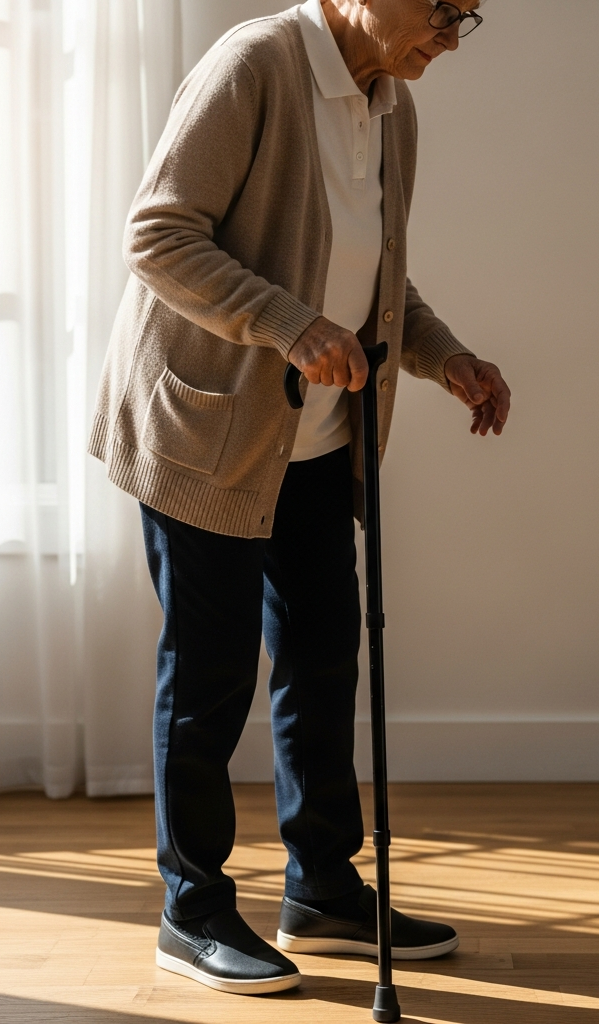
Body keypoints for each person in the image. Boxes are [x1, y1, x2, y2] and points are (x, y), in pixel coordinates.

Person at [89, 0, 510, 995]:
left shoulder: (389, 103)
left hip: (318, 438)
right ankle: (190, 910)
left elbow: (372, 284)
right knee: (211, 676)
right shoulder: (254, 68)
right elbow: (156, 236)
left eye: (470, 14)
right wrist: (282, 321)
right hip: (209, 434)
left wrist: (445, 357)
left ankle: (321, 883)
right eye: (442, 7)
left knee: (324, 655)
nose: (452, 34)